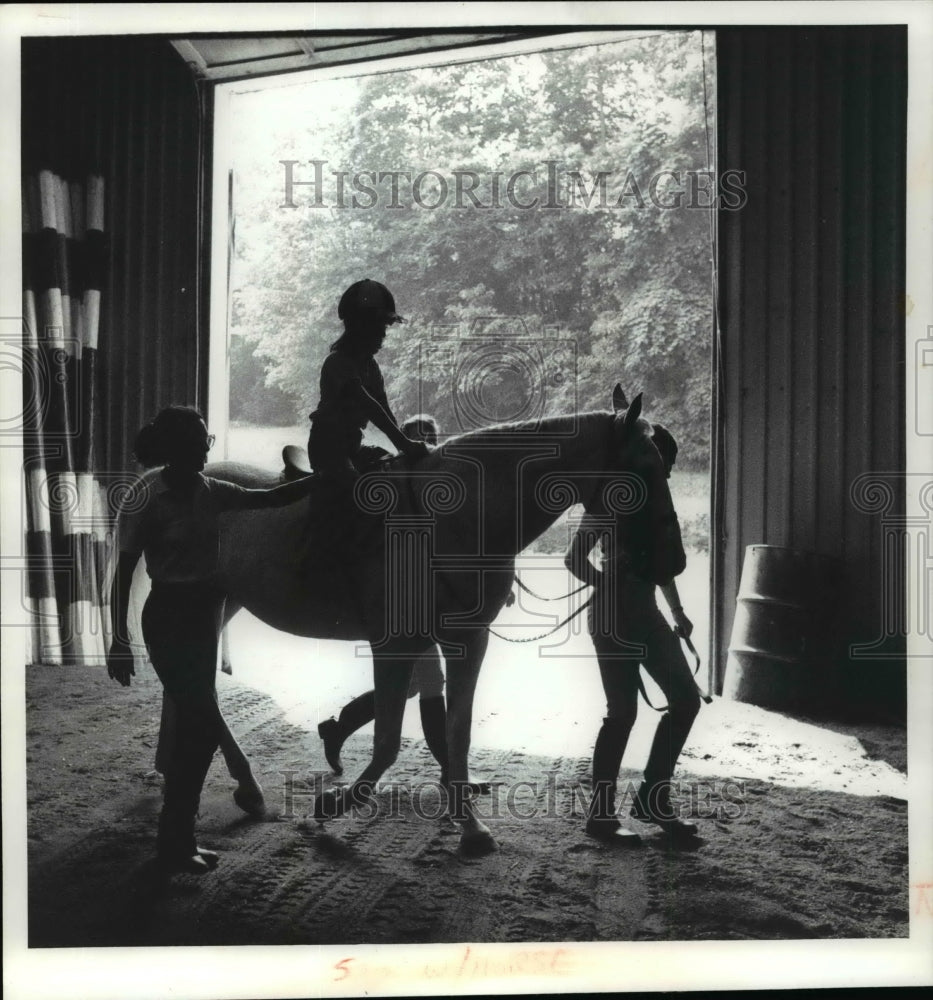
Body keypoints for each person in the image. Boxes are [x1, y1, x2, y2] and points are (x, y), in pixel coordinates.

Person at [107, 406, 316, 874]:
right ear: (179, 446)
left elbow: (271, 500)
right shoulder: (151, 499)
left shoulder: (212, 490)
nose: (208, 447)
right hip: (168, 616)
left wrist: (325, 479)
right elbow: (123, 575)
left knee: (197, 730)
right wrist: (117, 639)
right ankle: (174, 841)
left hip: (205, 615)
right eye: (201, 440)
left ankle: (178, 838)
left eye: (208, 440)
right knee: (200, 727)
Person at [316, 414, 488, 793]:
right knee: (430, 683)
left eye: (431, 434)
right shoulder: (396, 487)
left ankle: (339, 727)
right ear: (404, 442)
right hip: (407, 602)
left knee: (414, 685)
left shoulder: (439, 488)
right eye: (418, 434)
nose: (426, 439)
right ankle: (449, 771)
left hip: (429, 601)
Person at [565, 423, 702, 843]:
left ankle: (653, 798)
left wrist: (677, 612)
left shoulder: (655, 508)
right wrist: (607, 583)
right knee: (622, 713)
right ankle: (600, 816)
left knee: (686, 700)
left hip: (645, 613)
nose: (667, 476)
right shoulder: (607, 501)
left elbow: (660, 565)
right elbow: (573, 560)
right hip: (612, 616)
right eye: (664, 467)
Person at [307, 279, 428, 481]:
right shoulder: (338, 362)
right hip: (328, 448)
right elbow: (369, 405)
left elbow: (384, 408)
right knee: (350, 485)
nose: (383, 334)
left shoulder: (371, 367)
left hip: (352, 446)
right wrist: (404, 444)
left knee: (392, 468)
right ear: (359, 328)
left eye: (384, 327)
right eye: (377, 327)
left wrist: (402, 445)